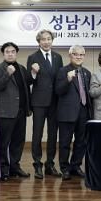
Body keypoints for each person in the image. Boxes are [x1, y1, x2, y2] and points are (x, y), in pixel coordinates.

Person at [27, 29, 63, 179]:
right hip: (39, 101)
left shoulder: (57, 57)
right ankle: (37, 164)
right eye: (43, 39)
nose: (46, 42)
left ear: (52, 40)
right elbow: (28, 80)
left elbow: (60, 78)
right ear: (39, 41)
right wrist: (33, 73)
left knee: (53, 134)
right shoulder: (32, 57)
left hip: (55, 101)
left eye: (49, 39)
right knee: (37, 134)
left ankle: (50, 164)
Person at [0, 42, 32, 181]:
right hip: (6, 112)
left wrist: (33, 74)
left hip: (21, 111)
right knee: (4, 142)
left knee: (18, 141)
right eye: (7, 52)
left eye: (13, 51)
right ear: (3, 54)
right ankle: (3, 169)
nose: (10, 54)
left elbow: (27, 85)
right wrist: (7, 74)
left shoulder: (21, 68)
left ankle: (15, 167)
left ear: (16, 53)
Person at [55, 45, 92, 180]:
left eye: (81, 54)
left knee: (81, 142)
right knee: (65, 142)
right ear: (70, 56)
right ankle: (65, 168)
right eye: (75, 54)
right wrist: (68, 80)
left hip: (83, 112)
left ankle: (75, 166)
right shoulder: (62, 71)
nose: (78, 57)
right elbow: (58, 91)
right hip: (67, 113)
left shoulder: (86, 72)